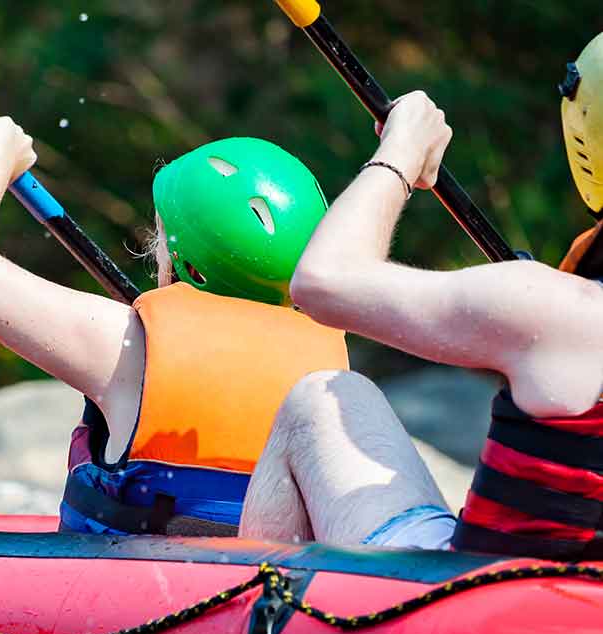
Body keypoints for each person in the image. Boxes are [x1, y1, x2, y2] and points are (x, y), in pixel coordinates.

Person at [241, 33, 603, 560]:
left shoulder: (558, 311)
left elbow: (322, 281)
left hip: (489, 614)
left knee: (318, 400)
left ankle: (244, 619)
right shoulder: (551, 314)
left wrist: (401, 155)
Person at [0, 122, 348, 536]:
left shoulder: (130, 342)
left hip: (151, 597)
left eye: (161, 235)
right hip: (274, 594)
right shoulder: (333, 369)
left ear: (190, 265)